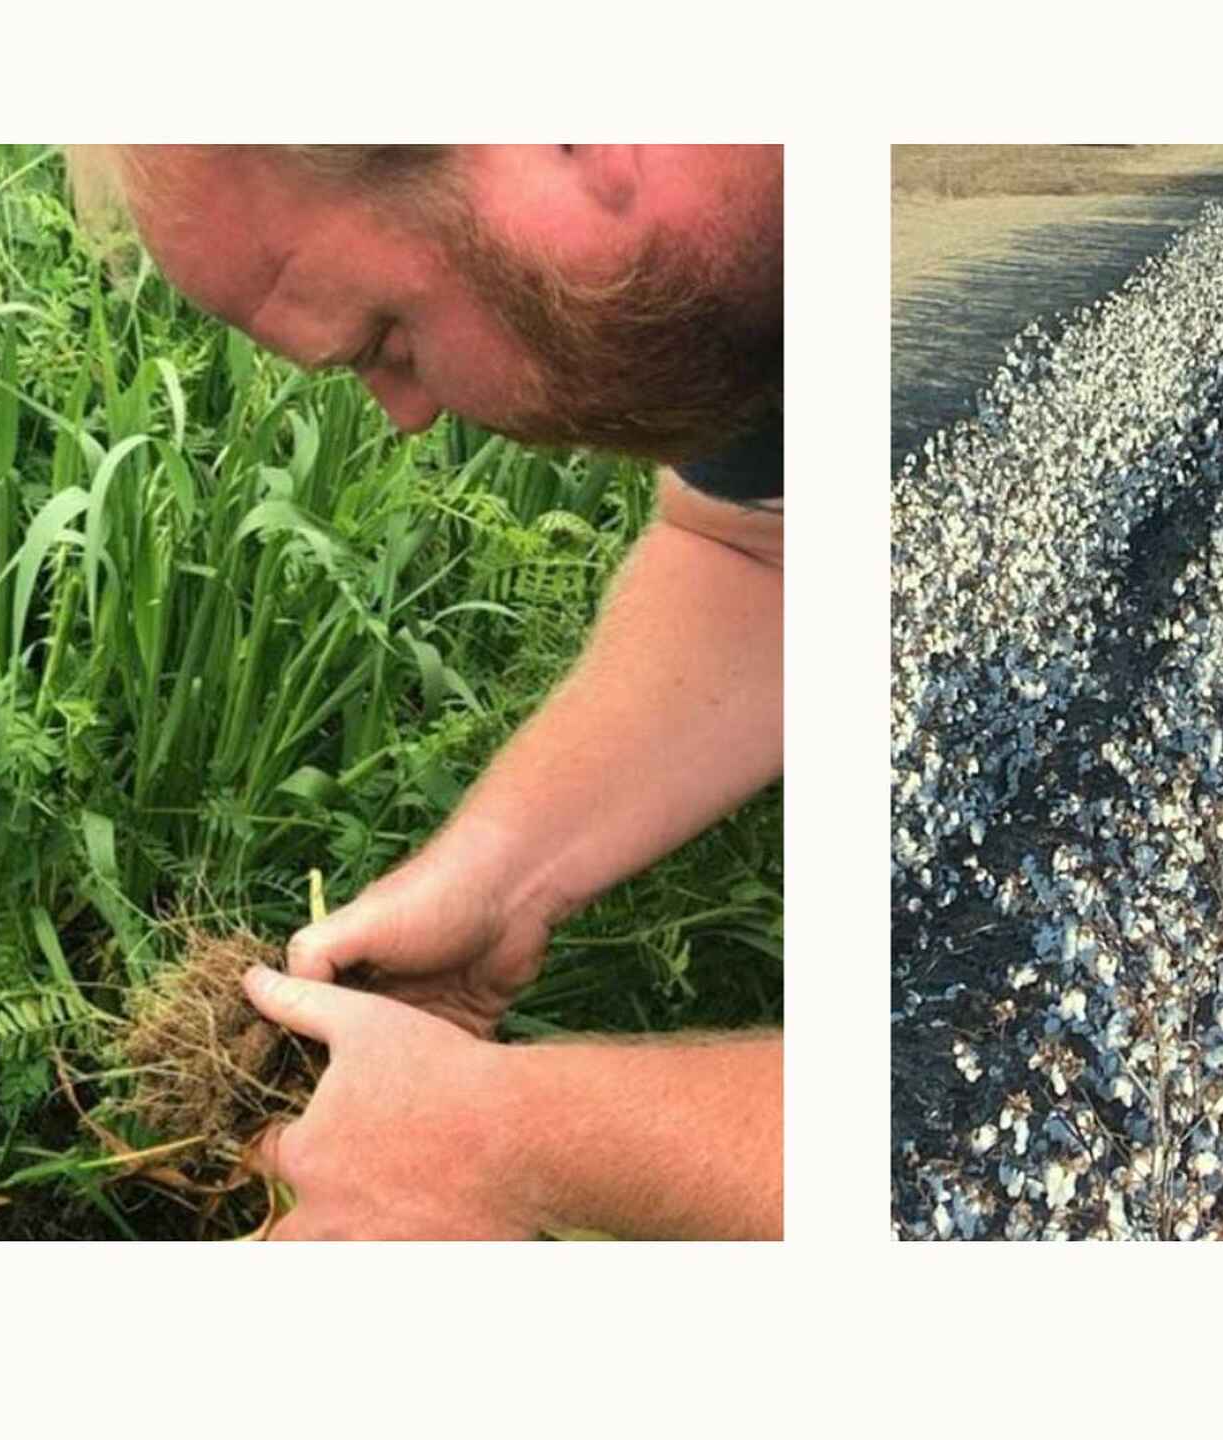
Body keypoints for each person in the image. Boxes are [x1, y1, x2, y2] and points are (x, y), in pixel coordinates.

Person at [71, 145, 783, 1239]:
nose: (402, 413)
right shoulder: (739, 278)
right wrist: (502, 875)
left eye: (385, 340)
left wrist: (514, 1140)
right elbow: (762, 546)